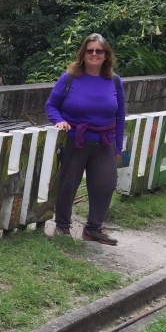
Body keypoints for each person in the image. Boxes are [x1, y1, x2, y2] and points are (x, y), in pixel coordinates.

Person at [44, 33, 126, 245]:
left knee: (106, 184)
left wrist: (118, 147)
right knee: (68, 184)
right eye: (90, 50)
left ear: (106, 55)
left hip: (104, 141)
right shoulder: (70, 78)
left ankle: (93, 229)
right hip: (75, 139)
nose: (94, 54)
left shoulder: (115, 82)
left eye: (99, 50)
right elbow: (51, 105)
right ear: (83, 53)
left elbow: (120, 116)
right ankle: (62, 226)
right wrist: (59, 121)